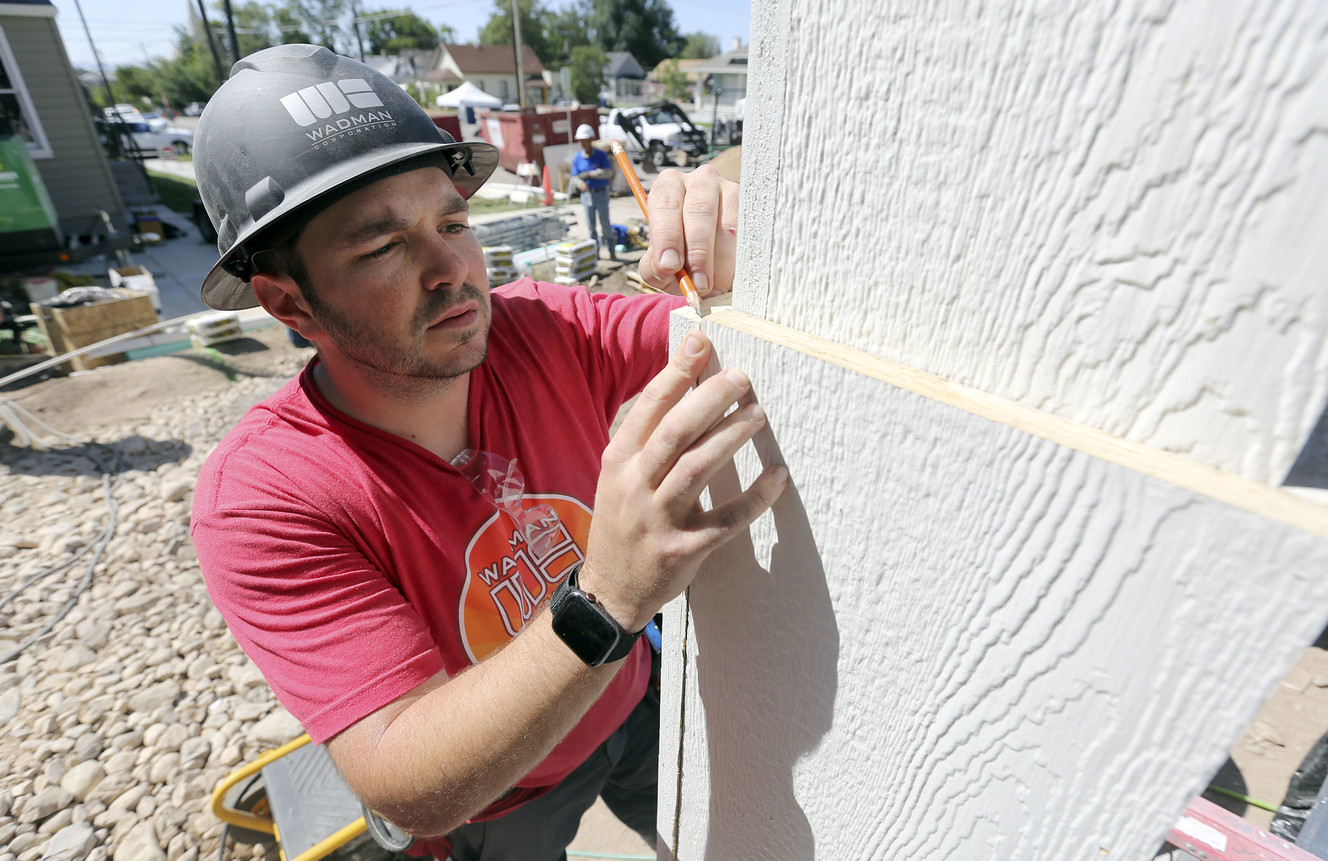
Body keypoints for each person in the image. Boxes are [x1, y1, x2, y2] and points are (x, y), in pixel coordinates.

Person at [188, 45, 785, 861]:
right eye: (382, 247)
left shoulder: (543, 331)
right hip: (497, 802)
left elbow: (726, 333)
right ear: (290, 301)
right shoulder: (266, 496)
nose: (454, 272)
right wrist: (607, 596)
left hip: (625, 699)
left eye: (454, 222)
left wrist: (729, 220)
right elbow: (405, 781)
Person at [571, 123, 617, 260]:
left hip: (601, 193)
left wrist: (590, 174)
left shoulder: (601, 155)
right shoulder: (578, 158)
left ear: (591, 139)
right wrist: (580, 184)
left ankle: (612, 252)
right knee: (591, 227)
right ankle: (595, 255)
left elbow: (608, 172)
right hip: (587, 195)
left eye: (585, 140)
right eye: (581, 141)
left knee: (605, 224)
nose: (583, 143)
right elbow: (574, 177)